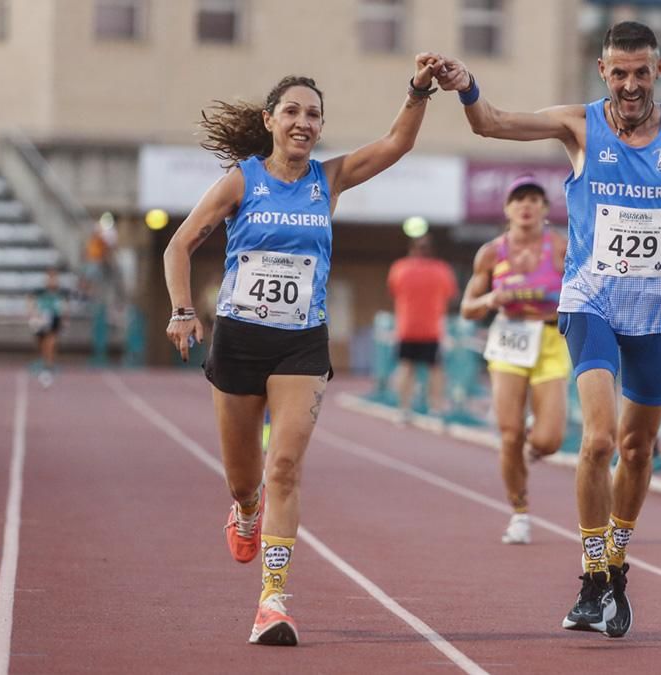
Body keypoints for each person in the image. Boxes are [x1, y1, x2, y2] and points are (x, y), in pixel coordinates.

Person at [433, 20, 661, 638]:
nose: (630, 84)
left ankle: (617, 563)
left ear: (658, 70)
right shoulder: (579, 126)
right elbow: (492, 123)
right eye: (618, 73)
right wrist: (467, 85)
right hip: (591, 302)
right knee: (599, 439)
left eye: (641, 72)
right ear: (602, 72)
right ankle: (591, 577)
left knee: (636, 449)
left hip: (660, 313)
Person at [162, 56, 440, 647]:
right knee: (246, 480)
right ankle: (243, 511)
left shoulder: (328, 179)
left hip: (301, 344)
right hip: (238, 340)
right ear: (269, 119)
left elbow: (396, 143)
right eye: (291, 111)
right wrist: (183, 311)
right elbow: (179, 245)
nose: (303, 122)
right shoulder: (243, 181)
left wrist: (418, 89)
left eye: (313, 114)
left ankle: (273, 600)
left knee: (283, 467)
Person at [459, 174, 571, 545]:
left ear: (544, 208)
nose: (526, 205)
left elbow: (585, 294)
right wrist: (491, 300)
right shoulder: (492, 253)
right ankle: (519, 512)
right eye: (519, 199)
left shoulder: (561, 248)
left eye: (534, 199)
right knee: (508, 433)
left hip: (551, 339)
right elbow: (467, 309)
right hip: (509, 338)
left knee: (550, 438)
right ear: (507, 209)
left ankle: (530, 449)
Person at [386, 233, 458, 420]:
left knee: (406, 367)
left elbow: (393, 291)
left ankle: (403, 408)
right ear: (432, 251)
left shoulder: (399, 268)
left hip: (407, 327)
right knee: (435, 369)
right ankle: (435, 408)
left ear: (412, 249)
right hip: (432, 329)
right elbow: (450, 294)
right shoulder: (442, 270)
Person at [28, 267, 68, 388]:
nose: (52, 281)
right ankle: (45, 362)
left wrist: (63, 319)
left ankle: (48, 367)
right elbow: (30, 301)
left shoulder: (61, 293)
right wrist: (33, 313)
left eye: (54, 278)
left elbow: (65, 307)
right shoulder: (39, 292)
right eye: (50, 278)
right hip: (41, 320)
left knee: (50, 341)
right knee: (41, 343)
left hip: (54, 318)